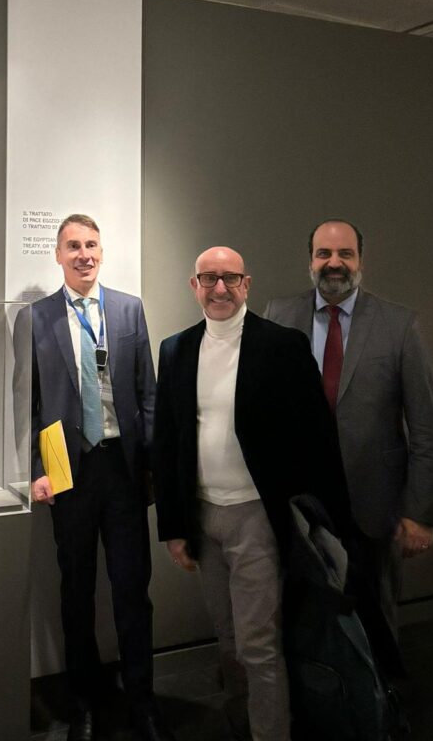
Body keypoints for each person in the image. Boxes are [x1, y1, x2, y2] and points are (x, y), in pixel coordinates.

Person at [153, 246, 347, 741]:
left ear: (247, 284)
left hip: (257, 516)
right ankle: (242, 724)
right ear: (194, 286)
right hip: (203, 517)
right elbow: (168, 441)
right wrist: (173, 528)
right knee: (228, 639)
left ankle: (270, 733)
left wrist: (322, 519)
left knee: (258, 645)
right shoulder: (176, 350)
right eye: (209, 278)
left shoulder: (281, 346)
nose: (220, 288)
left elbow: (317, 436)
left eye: (230, 278)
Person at [26, 214, 171, 741]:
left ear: (101, 252)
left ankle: (142, 702)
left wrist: (152, 465)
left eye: (91, 244)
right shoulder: (37, 316)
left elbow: (148, 393)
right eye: (73, 246)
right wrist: (38, 470)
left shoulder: (129, 308)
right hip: (69, 472)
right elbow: (30, 400)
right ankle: (82, 703)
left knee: (132, 590)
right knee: (76, 590)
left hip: (122, 469)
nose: (83, 254)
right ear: (58, 255)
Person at [264, 219, 433, 642]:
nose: (334, 263)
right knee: (307, 625)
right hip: (301, 505)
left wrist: (419, 513)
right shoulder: (278, 317)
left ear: (361, 260)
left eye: (345, 253)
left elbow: (426, 428)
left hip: (374, 507)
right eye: (324, 253)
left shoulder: (399, 325)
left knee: (377, 627)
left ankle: (382, 688)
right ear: (310, 260)